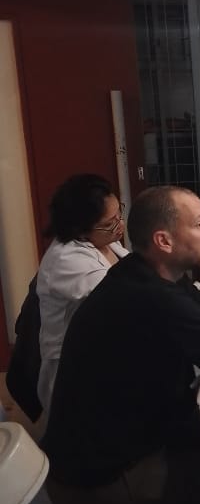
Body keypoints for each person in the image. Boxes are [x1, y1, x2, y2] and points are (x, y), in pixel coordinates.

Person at [42, 185, 200, 504]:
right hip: (96, 486)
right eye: (199, 224)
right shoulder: (154, 298)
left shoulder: (151, 271)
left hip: (124, 448)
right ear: (164, 241)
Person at [36, 174, 129, 420]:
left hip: (104, 349)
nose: (120, 225)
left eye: (119, 214)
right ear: (80, 228)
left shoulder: (107, 243)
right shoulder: (66, 259)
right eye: (110, 223)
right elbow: (126, 296)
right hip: (73, 370)